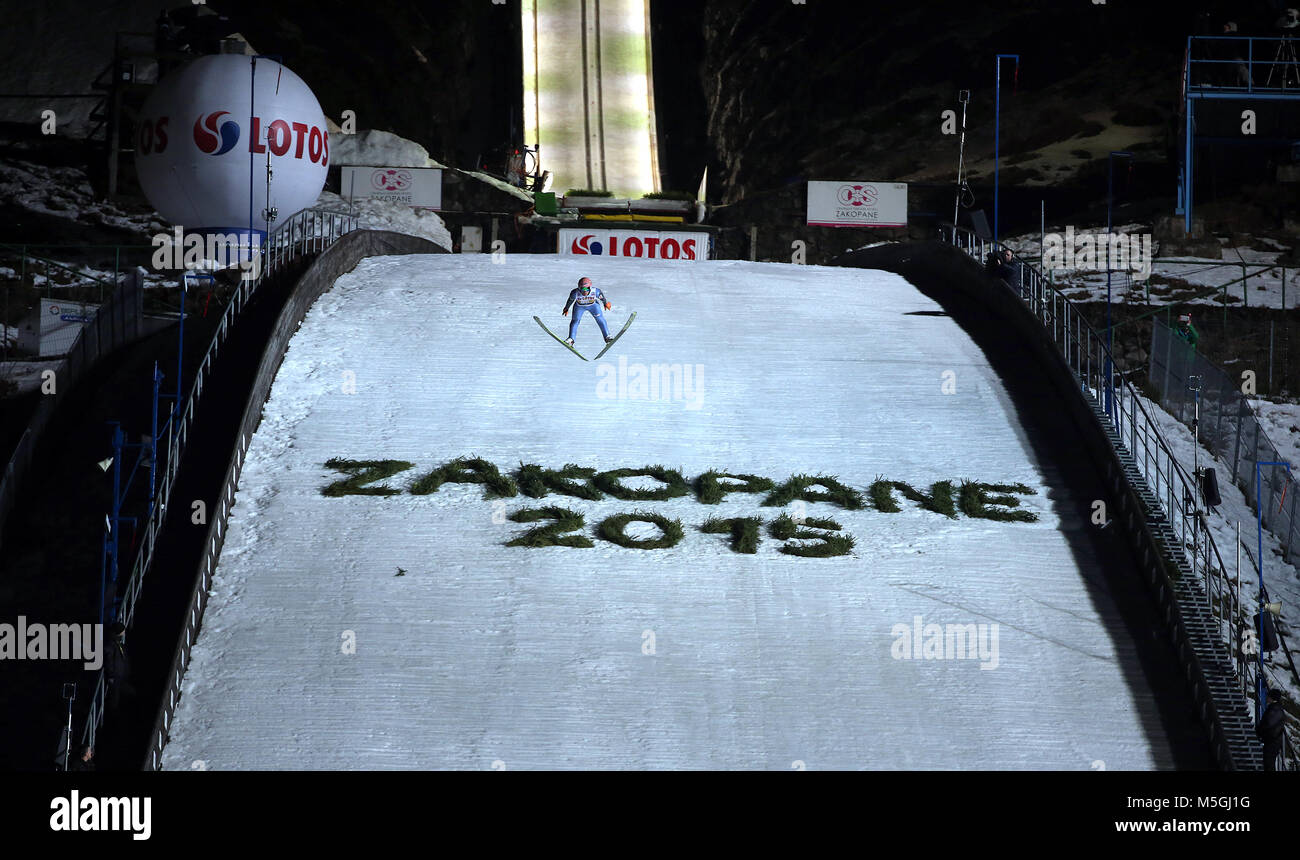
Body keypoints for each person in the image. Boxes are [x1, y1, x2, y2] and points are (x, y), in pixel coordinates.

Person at [562, 277, 613, 346]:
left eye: (586, 288)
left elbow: (602, 298)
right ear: (578, 288)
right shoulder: (575, 292)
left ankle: (607, 336)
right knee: (575, 321)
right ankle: (571, 339)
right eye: (582, 289)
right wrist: (566, 308)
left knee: (600, 319)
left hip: (593, 306)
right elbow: (570, 300)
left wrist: (605, 303)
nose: (584, 291)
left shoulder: (596, 291)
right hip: (579, 307)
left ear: (590, 287)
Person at [1257, 688, 1287, 771]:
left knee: (1269, 764)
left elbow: (1268, 723)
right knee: (1269, 764)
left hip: (1272, 741)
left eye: (1268, 696)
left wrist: (1260, 730)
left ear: (1271, 697)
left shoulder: (1274, 708)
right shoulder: (1276, 708)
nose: (1266, 697)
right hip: (1273, 741)